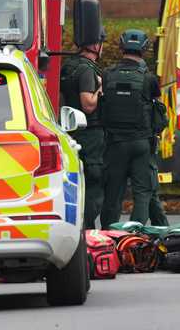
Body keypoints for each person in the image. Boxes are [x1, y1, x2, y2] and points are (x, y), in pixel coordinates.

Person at [100, 29, 162, 228]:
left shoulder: (108, 75)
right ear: (144, 49)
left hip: (115, 143)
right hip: (141, 143)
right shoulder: (149, 78)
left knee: (113, 193)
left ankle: (110, 235)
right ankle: (135, 236)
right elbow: (159, 111)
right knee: (142, 193)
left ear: (121, 47)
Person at [60, 29, 106, 229]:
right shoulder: (88, 70)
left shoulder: (67, 66)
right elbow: (88, 104)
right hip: (90, 134)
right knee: (93, 185)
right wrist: (99, 89)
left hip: (69, 130)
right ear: (96, 45)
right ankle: (87, 231)